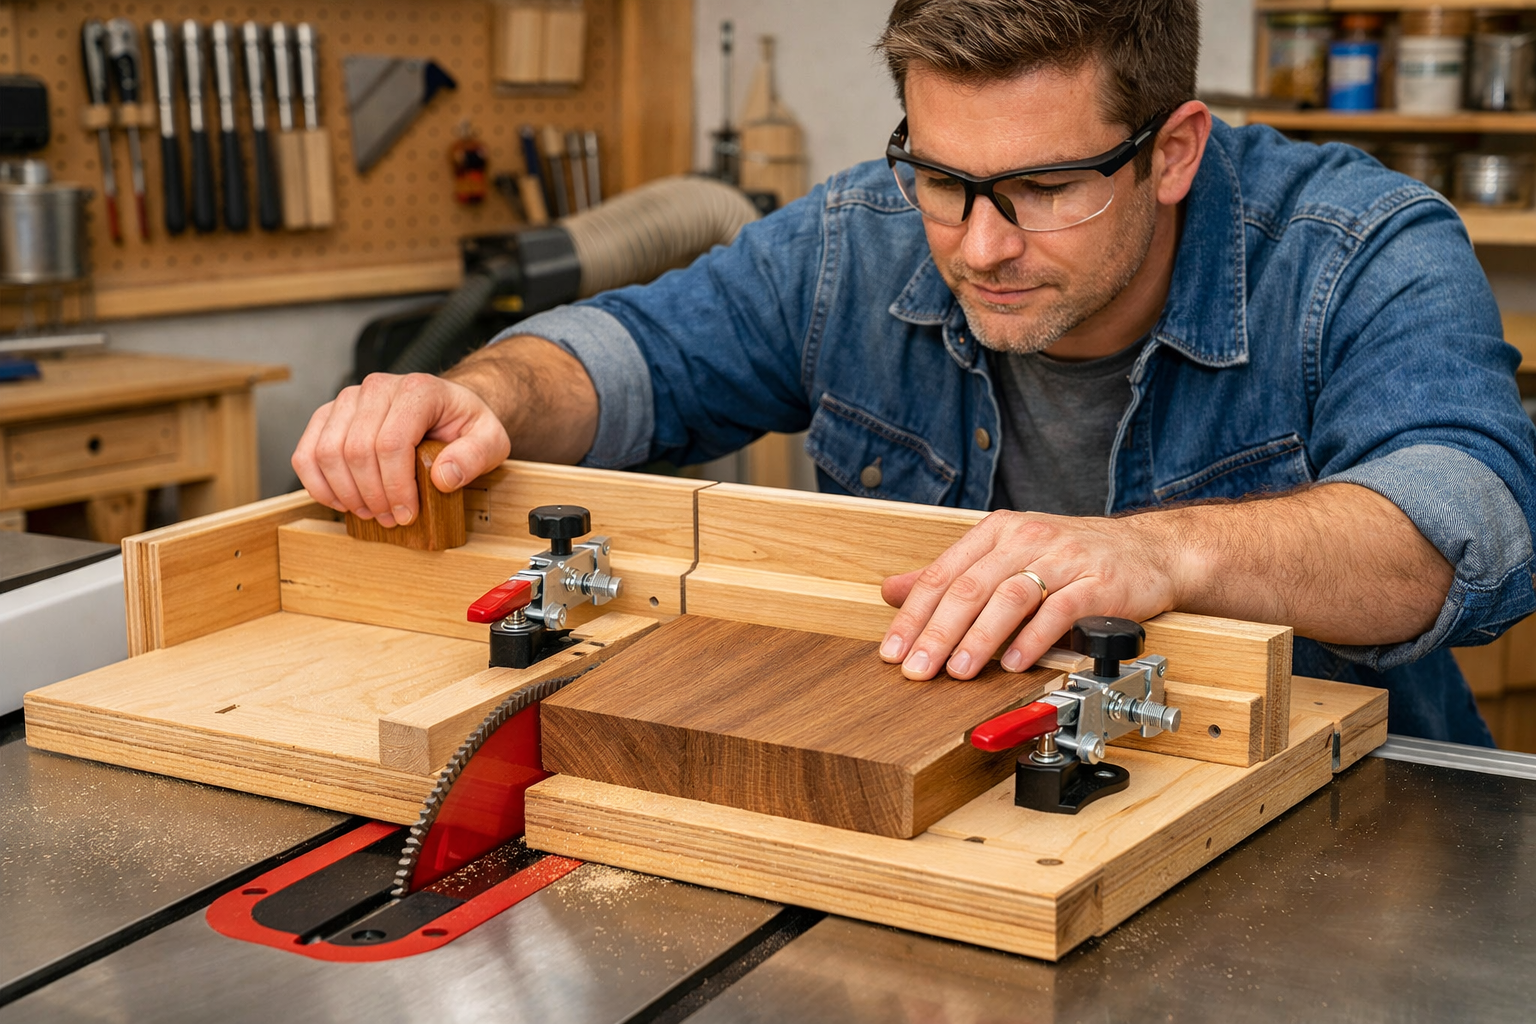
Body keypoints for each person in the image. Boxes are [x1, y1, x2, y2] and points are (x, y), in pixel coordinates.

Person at [292, 0, 1536, 745]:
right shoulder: (856, 239)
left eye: (1048, 188)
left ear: (1172, 151)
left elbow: (1471, 520)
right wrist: (488, 397)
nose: (981, 245)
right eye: (945, 178)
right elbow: (637, 359)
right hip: (950, 820)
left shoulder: (1360, 245)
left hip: (1318, 831)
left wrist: (1170, 553)